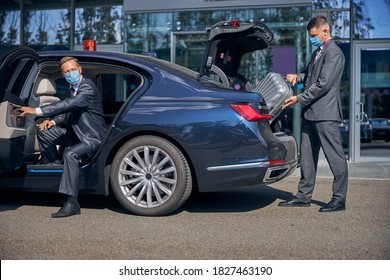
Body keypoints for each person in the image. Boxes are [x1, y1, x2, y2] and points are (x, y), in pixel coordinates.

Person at [21, 57, 107, 218]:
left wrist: (38, 111)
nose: (70, 73)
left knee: (70, 154)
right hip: (76, 134)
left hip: (91, 137)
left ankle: (72, 203)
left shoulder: (87, 87)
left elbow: (68, 104)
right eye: (66, 71)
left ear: (79, 70)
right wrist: (52, 121)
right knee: (44, 132)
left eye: (72, 70)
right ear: (63, 74)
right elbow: (68, 112)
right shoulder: (73, 88)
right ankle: (52, 164)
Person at [278, 16, 348, 212]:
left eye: (314, 35)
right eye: (310, 36)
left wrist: (298, 99)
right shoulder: (318, 52)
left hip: (325, 114)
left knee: (335, 157)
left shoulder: (334, 53)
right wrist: (297, 76)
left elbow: (322, 85)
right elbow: (310, 77)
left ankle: (339, 199)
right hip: (310, 114)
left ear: (325, 31)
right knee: (307, 158)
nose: (312, 39)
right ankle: (303, 196)